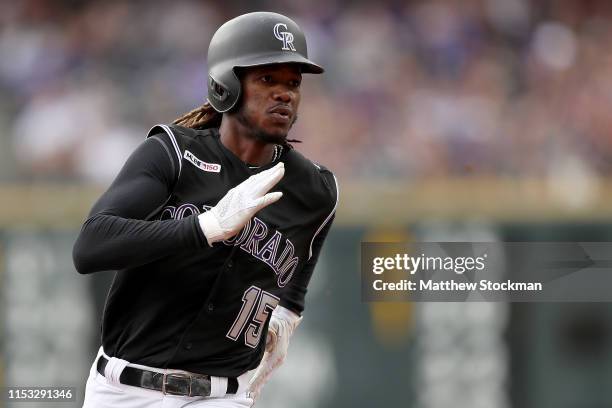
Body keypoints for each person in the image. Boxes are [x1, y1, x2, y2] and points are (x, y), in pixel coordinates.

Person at [73, 11, 338, 408]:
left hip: (221, 396)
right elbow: (90, 246)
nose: (285, 94)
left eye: (293, 83)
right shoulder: (174, 152)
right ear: (225, 84)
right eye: (267, 79)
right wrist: (205, 227)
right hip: (124, 390)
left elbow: (297, 278)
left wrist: (287, 314)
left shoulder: (315, 190)